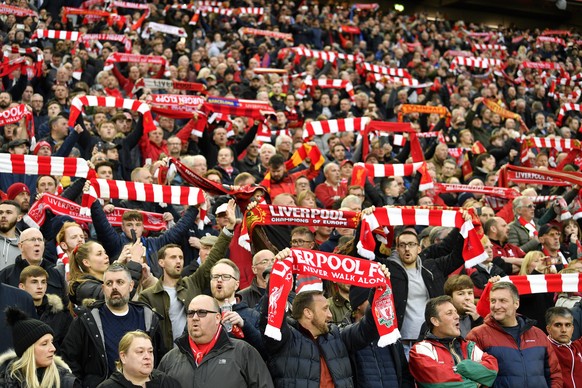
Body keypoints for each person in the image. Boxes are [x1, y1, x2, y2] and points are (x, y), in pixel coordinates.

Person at [259, 248, 391, 387]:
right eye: (324, 309)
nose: (330, 314)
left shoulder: (338, 335)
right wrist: (277, 274)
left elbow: (368, 328)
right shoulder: (285, 339)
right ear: (308, 313)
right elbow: (271, 316)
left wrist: (377, 289)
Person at [139, 199, 237, 352]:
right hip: (164, 358)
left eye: (181, 257)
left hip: (194, 352)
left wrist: (228, 229)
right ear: (161, 263)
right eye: (173, 257)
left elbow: (213, 256)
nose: (178, 261)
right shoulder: (148, 296)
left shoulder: (192, 283)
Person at [61, 263, 163, 387]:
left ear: (131, 286)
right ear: (103, 289)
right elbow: (69, 361)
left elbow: (159, 359)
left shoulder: (148, 318)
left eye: (120, 282)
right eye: (109, 283)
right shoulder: (86, 321)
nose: (114, 287)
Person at [158, 295, 273, 387]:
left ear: (217, 318)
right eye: (190, 313)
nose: (195, 318)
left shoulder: (243, 352)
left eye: (202, 312)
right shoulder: (170, 359)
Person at [466, 281, 563, 387]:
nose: (496, 306)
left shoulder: (538, 334)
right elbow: (469, 378)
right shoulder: (477, 335)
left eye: (503, 301)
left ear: (516, 303)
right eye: (493, 301)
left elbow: (554, 375)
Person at [409, 296, 498, 387]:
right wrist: (476, 383)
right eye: (449, 313)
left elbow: (492, 371)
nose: (457, 316)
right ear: (435, 321)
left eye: (456, 312)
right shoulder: (421, 350)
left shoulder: (468, 346)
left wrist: (463, 367)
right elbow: (439, 383)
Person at [344, 286, 414, 387]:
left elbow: (405, 374)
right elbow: (367, 325)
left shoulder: (390, 334)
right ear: (358, 305)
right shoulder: (346, 335)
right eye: (374, 299)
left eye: (380, 299)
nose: (379, 303)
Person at [0, 307, 79, 387]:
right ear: (28, 350)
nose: (53, 349)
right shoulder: (5, 381)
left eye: (51, 342)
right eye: (44, 344)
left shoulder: (67, 382)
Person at [18, 265, 73, 352]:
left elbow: (69, 350)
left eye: (43, 282)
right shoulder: (13, 314)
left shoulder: (61, 314)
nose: (40, 286)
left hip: (54, 363)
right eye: (34, 282)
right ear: (22, 286)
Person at [96, 331, 180, 388]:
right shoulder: (107, 387)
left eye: (150, 351)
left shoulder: (167, 383)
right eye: (140, 352)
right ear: (123, 357)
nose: (147, 356)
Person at [545, 307, 582, 388]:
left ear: (572, 329)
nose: (564, 330)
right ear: (548, 329)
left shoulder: (578, 346)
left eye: (568, 325)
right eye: (558, 325)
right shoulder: (543, 349)